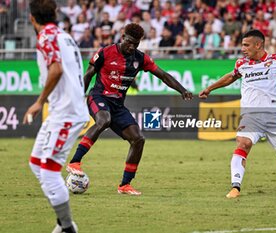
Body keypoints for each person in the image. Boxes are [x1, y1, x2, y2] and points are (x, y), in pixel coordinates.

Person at [66, 23, 193, 195]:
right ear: (123, 37)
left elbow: (163, 75)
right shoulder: (105, 52)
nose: (132, 46)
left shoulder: (140, 58)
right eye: (130, 42)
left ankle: (125, 185)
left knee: (138, 139)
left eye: (136, 44)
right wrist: (79, 100)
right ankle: (75, 162)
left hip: (118, 105)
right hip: (98, 97)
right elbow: (88, 74)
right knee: (104, 120)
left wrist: (182, 90)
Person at [199, 29, 276, 198]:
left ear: (258, 45)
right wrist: (209, 88)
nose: (243, 48)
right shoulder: (241, 64)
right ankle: (235, 187)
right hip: (251, 116)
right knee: (243, 143)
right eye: (242, 45)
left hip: (274, 118)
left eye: (246, 45)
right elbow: (231, 77)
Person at [23, 0, 89, 232]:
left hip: (67, 113)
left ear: (32, 18)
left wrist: (39, 102)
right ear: (55, 13)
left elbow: (57, 69)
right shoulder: (64, 35)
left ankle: (68, 227)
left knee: (49, 173)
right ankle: (64, 223)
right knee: (36, 164)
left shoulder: (46, 37)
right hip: (61, 111)